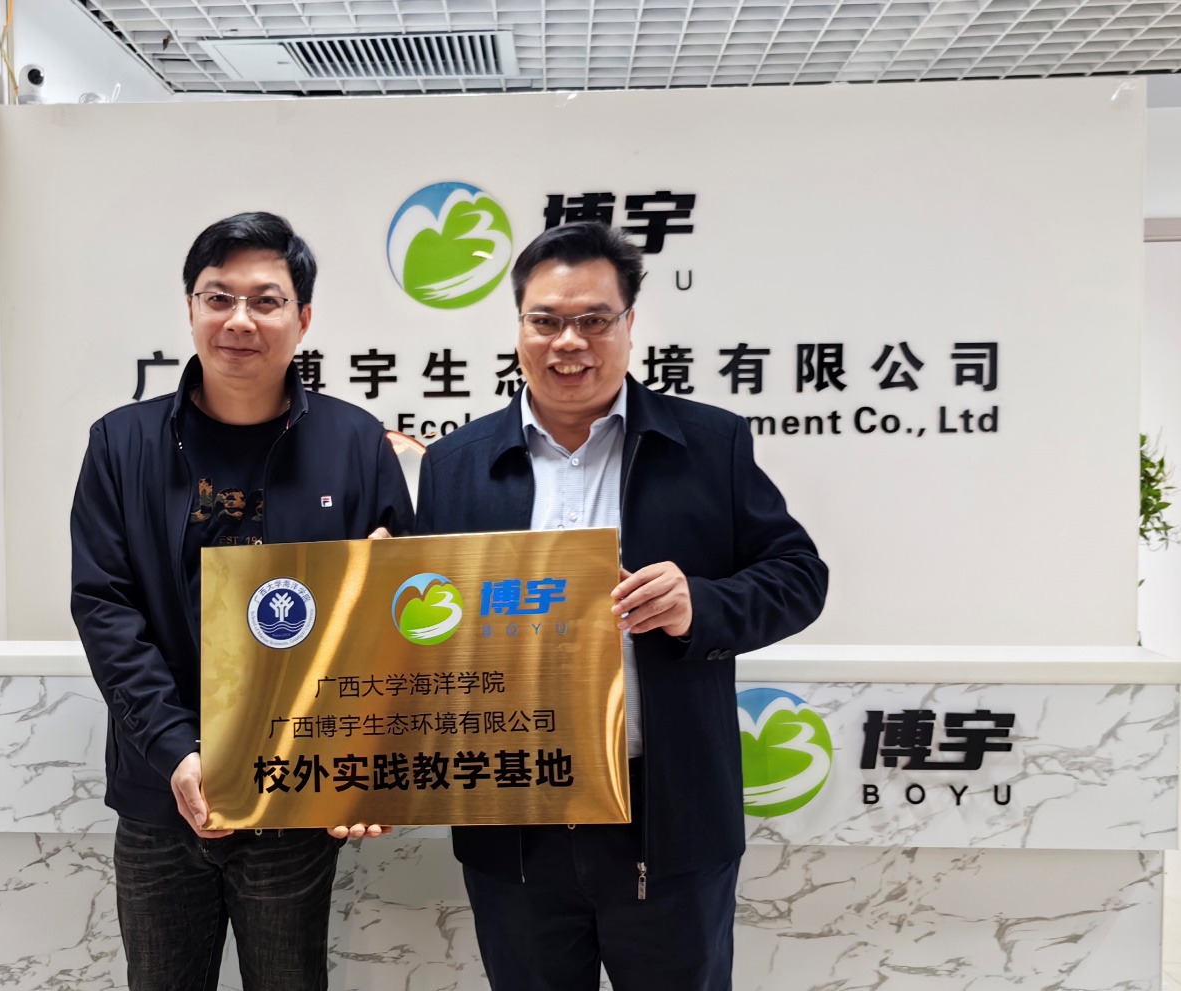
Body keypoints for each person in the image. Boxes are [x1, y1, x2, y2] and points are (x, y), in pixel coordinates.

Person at [414, 221, 828, 990]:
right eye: (546, 320)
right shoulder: (454, 466)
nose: (569, 341)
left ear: (630, 324)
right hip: (514, 820)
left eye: (594, 319)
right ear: (519, 327)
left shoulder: (708, 445)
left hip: (666, 819)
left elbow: (800, 577)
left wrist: (699, 602)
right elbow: (427, 630)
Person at [70, 212, 413, 991]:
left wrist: (367, 766)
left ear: (304, 318)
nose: (239, 320)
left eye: (265, 300)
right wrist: (176, 753)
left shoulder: (357, 444)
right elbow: (106, 609)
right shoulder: (121, 445)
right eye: (218, 297)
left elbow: (402, 619)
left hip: (298, 797)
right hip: (162, 795)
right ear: (190, 308)